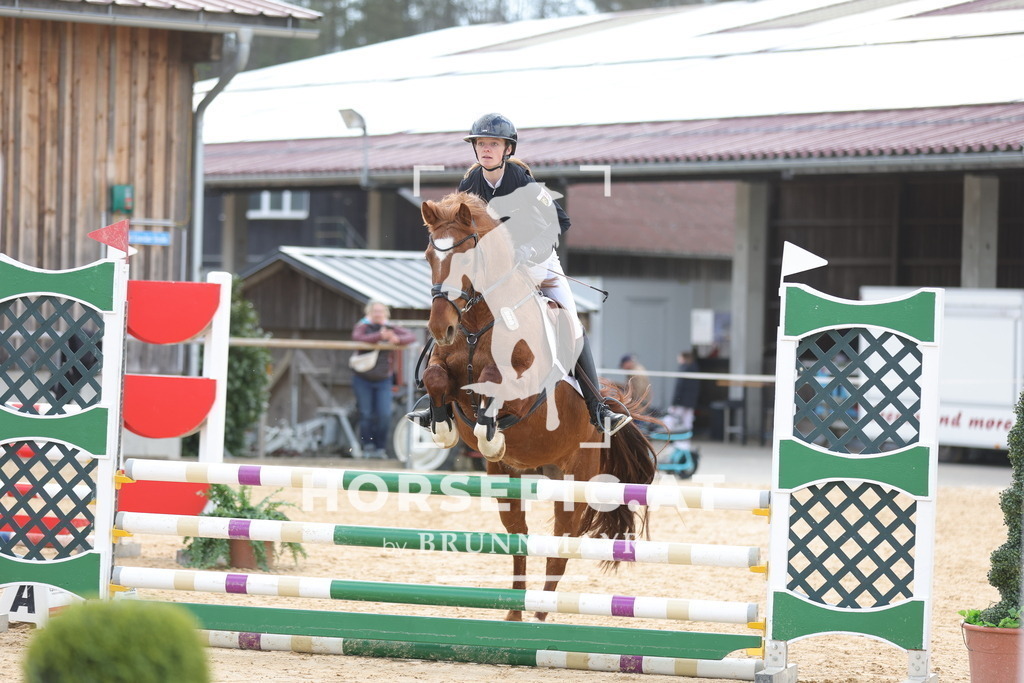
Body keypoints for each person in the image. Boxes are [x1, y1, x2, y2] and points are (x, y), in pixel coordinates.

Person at [408, 113, 630, 435]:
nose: (486, 149)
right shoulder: (469, 184)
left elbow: (561, 223)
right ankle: (433, 399)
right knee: (453, 306)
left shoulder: (524, 183)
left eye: (493, 144)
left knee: (571, 324)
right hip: (491, 268)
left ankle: (597, 407)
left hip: (537, 261)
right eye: (481, 144)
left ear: (506, 149)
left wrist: (528, 250)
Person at [351, 301, 415, 457]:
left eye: (381, 311)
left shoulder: (390, 327)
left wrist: (396, 339)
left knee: (384, 414)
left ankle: (380, 447)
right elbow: (357, 337)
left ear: (385, 313)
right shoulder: (363, 326)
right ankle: (368, 446)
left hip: (383, 379)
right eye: (375, 311)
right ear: (369, 312)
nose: (378, 314)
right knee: (366, 413)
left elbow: (410, 336)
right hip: (362, 377)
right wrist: (381, 336)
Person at [667, 350, 700, 432]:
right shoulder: (694, 368)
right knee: (687, 421)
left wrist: (674, 402)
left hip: (681, 401)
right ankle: (685, 440)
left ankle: (674, 438)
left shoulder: (684, 368)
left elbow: (679, 387)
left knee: (673, 419)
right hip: (690, 401)